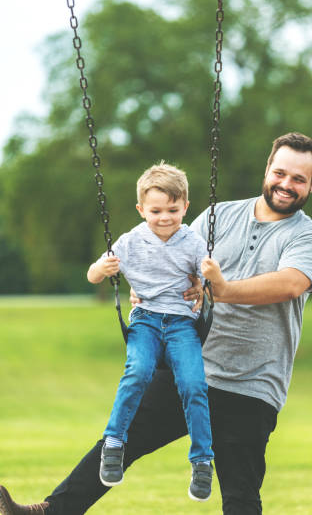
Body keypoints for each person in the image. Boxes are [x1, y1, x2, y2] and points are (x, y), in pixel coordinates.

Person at [0, 132, 312, 515]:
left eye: (298, 179)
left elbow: (290, 284)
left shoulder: (309, 235)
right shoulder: (218, 216)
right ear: (268, 169)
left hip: (252, 383)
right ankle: (49, 512)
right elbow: (169, 261)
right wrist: (148, 290)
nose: (286, 184)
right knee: (118, 442)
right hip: (190, 364)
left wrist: (220, 289)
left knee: (240, 495)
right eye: (281, 173)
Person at [87, 162, 213, 500]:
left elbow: (208, 279)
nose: (165, 217)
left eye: (173, 209)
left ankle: (202, 460)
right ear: (142, 210)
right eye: (156, 210)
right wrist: (103, 267)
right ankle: (114, 442)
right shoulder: (130, 242)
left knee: (194, 385)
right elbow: (92, 276)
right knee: (137, 373)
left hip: (182, 324)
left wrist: (204, 281)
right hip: (145, 320)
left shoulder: (193, 241)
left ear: (185, 206)